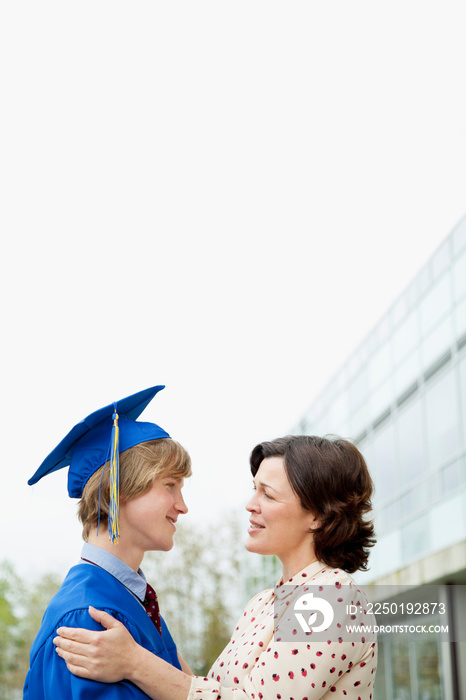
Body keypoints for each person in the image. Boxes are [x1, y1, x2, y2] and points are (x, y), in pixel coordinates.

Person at [53, 434, 378, 700]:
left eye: (268, 495)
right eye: (254, 489)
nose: (250, 505)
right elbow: (215, 692)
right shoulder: (262, 604)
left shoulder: (333, 598)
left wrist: (135, 662)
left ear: (317, 516)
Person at [24, 385, 192, 699]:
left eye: (268, 493)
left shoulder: (305, 596)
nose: (182, 506)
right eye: (170, 485)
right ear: (119, 489)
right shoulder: (92, 616)